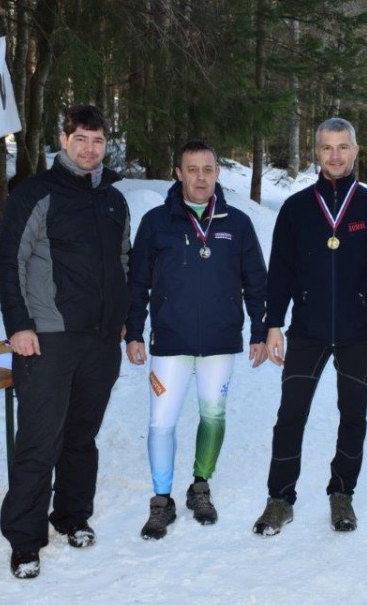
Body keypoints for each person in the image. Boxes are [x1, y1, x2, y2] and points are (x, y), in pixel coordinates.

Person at [0, 104, 132, 579]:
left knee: (81, 436)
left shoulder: (114, 199)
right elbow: (8, 260)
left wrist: (121, 319)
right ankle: (25, 541)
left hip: (99, 342)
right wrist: (19, 325)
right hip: (47, 339)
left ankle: (73, 517)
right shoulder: (35, 193)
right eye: (81, 139)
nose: (89, 149)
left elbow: (123, 262)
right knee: (39, 440)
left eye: (97, 141)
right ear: (64, 138)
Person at [252, 117, 367, 536]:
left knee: (353, 413)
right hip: (308, 330)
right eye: (326, 148)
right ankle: (279, 499)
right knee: (290, 415)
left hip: (359, 330)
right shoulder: (298, 209)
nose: (335, 156)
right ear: (316, 153)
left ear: (356, 151)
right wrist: (273, 324)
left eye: (343, 147)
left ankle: (342, 494)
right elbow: (279, 271)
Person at [125, 140, 268, 540]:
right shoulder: (156, 222)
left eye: (208, 169)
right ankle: (161, 500)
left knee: (214, 415)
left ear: (217, 173)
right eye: (192, 169)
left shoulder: (237, 223)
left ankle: (200, 486)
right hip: (170, 342)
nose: (201, 177)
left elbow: (256, 281)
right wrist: (133, 332)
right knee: (161, 421)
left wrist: (259, 329)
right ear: (178, 173)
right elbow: (137, 284)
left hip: (220, 343)